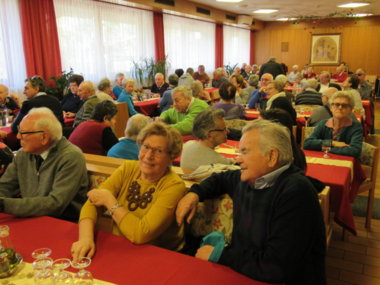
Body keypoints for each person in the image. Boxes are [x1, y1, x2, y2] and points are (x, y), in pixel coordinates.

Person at [176, 119, 326, 284]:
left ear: (271, 156)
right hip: (244, 273)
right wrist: (194, 194)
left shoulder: (296, 193)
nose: (238, 159)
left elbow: (276, 268)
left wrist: (220, 254)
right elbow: (220, 179)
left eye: (245, 152)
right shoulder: (250, 178)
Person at [71, 122, 187, 260]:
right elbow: (91, 204)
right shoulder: (128, 168)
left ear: (171, 157)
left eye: (159, 151)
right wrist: (85, 239)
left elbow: (141, 234)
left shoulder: (174, 186)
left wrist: (110, 201)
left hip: (159, 255)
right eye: (146, 146)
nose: (149, 155)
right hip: (120, 246)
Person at [0, 107, 88, 221]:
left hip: (62, 224)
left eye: (23, 133)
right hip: (31, 218)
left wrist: (4, 205)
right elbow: (5, 186)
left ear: (44, 137)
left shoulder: (71, 157)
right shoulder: (23, 155)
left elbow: (55, 204)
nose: (18, 137)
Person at [304, 91, 362, 159]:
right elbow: (307, 143)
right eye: (337, 104)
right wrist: (332, 143)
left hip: (345, 164)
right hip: (325, 162)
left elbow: (355, 151)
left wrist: (326, 148)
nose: (340, 107)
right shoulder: (323, 123)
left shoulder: (356, 127)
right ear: (331, 108)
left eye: (344, 105)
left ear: (351, 109)